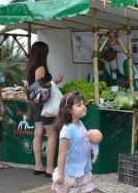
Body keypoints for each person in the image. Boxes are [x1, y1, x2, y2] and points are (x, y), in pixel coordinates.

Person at [26, 41, 63, 177]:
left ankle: (38, 166)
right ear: (43, 52)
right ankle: (49, 168)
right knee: (52, 134)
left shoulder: (29, 66)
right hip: (44, 104)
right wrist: (55, 81)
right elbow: (40, 84)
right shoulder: (40, 66)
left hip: (34, 104)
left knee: (38, 133)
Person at [51, 92, 95, 193]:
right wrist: (61, 174)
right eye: (79, 105)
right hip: (70, 173)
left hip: (82, 169)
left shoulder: (81, 123)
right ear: (69, 109)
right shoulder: (67, 129)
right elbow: (62, 152)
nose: (84, 107)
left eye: (83, 104)